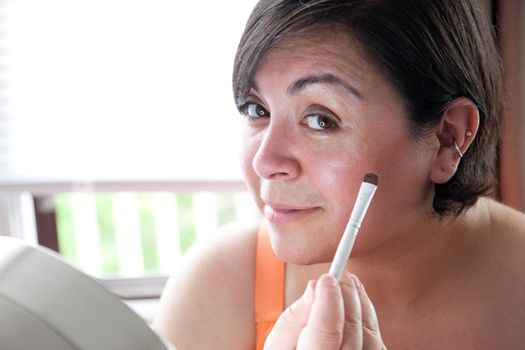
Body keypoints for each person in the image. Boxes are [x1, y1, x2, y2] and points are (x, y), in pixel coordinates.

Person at [154, 0, 525, 349]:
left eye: (321, 120)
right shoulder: (215, 289)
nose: (265, 161)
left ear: (447, 138)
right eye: (256, 109)